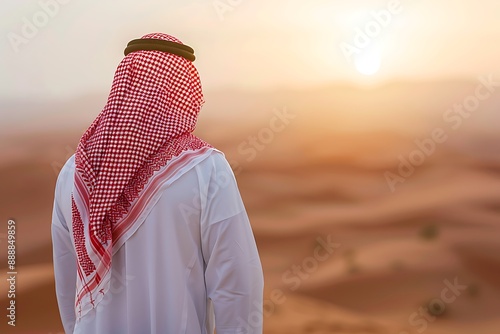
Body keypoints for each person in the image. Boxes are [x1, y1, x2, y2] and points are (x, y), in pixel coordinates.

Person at [51, 32, 264, 334]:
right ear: (184, 91)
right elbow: (238, 286)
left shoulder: (74, 173)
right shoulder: (207, 169)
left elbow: (68, 285)